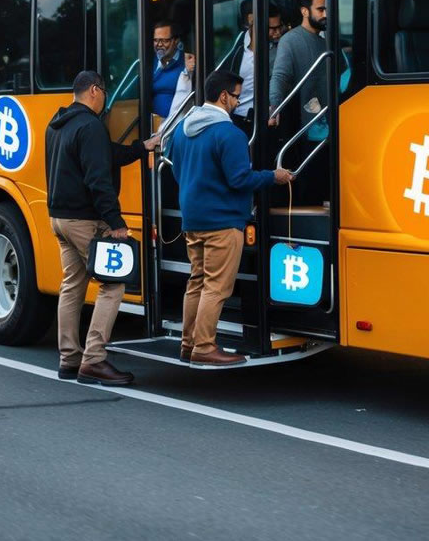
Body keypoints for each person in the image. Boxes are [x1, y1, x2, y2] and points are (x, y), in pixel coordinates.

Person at [168, 69, 294, 365]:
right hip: (223, 221)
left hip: (193, 219)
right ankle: (204, 347)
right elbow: (240, 179)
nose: (239, 102)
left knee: (196, 282)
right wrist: (272, 176)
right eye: (236, 96)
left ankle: (188, 344)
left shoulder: (182, 129)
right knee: (216, 287)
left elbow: (176, 170)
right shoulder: (230, 133)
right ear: (223, 96)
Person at [45, 70, 160, 385]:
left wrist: (141, 147)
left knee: (72, 285)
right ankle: (94, 360)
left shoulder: (58, 125)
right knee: (113, 284)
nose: (105, 99)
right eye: (105, 92)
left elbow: (108, 155)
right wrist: (116, 222)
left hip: (59, 218)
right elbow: (98, 180)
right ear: (95, 91)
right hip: (84, 219)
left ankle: (69, 359)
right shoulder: (91, 126)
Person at [268, 0, 329, 203]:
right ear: (305, 11)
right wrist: (275, 106)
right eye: (320, 9)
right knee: (310, 189)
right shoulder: (291, 40)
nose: (325, 14)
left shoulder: (326, 42)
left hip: (329, 126)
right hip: (308, 129)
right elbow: (280, 76)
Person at [231, 3, 285, 135]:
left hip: (266, 118)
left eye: (279, 27)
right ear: (254, 24)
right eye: (272, 29)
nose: (277, 33)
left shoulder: (281, 48)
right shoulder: (238, 44)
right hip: (237, 117)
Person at [152, 20, 193, 118]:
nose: (159, 44)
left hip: (173, 125)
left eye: (164, 41)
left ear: (176, 41)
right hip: (149, 125)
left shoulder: (187, 62)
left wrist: (190, 71)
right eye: (156, 40)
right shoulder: (148, 62)